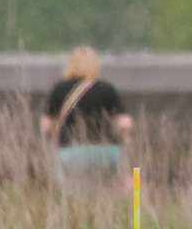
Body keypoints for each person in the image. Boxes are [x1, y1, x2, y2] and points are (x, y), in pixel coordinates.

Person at [43, 45, 133, 179]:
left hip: (71, 151)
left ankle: (69, 197)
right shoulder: (106, 88)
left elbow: (46, 126)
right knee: (106, 185)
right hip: (106, 151)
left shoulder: (59, 89)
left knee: (68, 186)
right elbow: (125, 123)